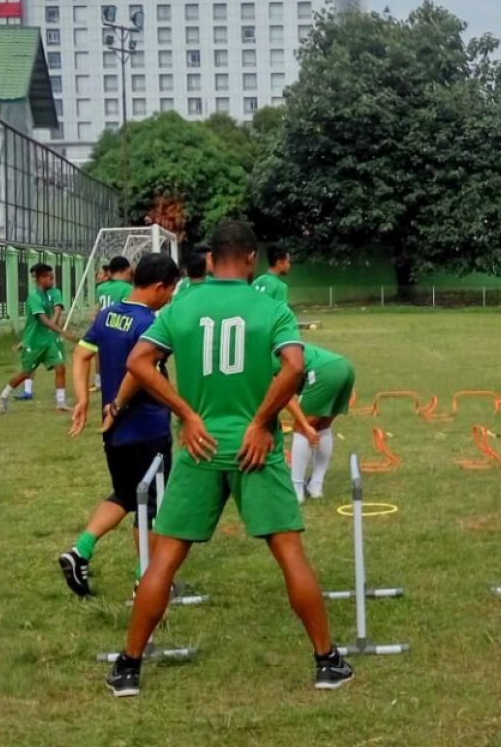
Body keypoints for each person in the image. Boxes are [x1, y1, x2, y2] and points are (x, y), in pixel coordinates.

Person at [104, 220, 352, 697]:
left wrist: (188, 415)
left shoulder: (182, 304)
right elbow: (296, 367)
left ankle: (128, 669)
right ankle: (327, 662)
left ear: (211, 260)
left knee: (163, 562)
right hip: (255, 449)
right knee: (291, 557)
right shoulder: (271, 306)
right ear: (252, 260)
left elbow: (138, 362)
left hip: (200, 448)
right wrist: (261, 422)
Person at [60, 253, 181, 597]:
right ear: (159, 287)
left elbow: (81, 355)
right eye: (170, 290)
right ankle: (147, 581)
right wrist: (117, 405)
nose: (170, 297)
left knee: (126, 495)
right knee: (153, 506)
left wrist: (83, 398)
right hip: (146, 427)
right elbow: (139, 372)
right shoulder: (151, 325)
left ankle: (79, 550)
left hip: (115, 433)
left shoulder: (108, 315)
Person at [0, 263, 70, 414]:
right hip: (34, 341)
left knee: (60, 367)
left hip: (49, 340)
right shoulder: (33, 297)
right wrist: (62, 331)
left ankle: (61, 402)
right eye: (50, 278)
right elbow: (43, 320)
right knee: (26, 373)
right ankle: (4, 396)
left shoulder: (55, 292)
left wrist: (55, 329)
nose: (52, 280)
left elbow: (57, 309)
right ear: (40, 279)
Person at [288, 343, 355, 502]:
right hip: (344, 366)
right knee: (323, 425)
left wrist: (303, 423)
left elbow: (283, 396)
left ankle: (296, 490)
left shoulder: (263, 358)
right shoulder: (279, 343)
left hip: (322, 372)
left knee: (301, 427)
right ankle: (315, 486)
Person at [88, 256, 134, 391]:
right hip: (120, 327)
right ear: (127, 270)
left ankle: (99, 382)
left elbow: (98, 307)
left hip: (103, 326)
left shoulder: (101, 288)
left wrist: (95, 319)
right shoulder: (128, 288)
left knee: (101, 356)